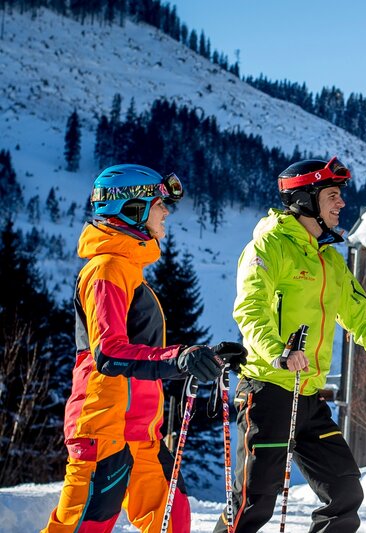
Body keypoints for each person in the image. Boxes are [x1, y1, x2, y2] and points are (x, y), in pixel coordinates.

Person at [214, 157, 366, 533]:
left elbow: (364, 319)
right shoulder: (268, 246)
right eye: (332, 195)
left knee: (345, 494)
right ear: (305, 200)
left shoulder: (330, 260)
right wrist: (279, 352)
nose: (341, 204)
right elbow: (250, 310)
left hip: (309, 396)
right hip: (267, 392)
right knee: (253, 503)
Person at [43, 164, 245, 533]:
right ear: (132, 208)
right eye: (158, 203)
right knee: (82, 527)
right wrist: (179, 358)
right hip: (104, 426)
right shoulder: (106, 269)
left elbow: (144, 350)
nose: (166, 211)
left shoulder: (128, 270)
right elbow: (110, 353)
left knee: (173, 518)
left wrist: (205, 356)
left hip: (140, 430)